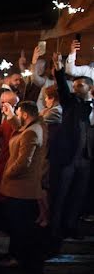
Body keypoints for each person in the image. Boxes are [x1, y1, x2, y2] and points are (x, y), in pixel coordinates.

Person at [0, 101, 47, 272]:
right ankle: (19, 256)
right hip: (20, 187)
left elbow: (24, 162)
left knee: (19, 224)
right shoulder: (33, 127)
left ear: (25, 115)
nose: (18, 116)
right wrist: (10, 114)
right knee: (18, 222)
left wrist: (8, 173)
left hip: (21, 187)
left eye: (19, 113)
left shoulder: (32, 132)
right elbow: (19, 129)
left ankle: (19, 258)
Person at [49, 52, 93, 240]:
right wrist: (59, 69)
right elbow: (63, 89)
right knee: (61, 195)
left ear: (90, 88)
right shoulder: (71, 102)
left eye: (80, 85)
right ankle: (54, 230)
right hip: (68, 158)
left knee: (78, 196)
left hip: (86, 158)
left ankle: (71, 226)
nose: (75, 88)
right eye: (74, 85)